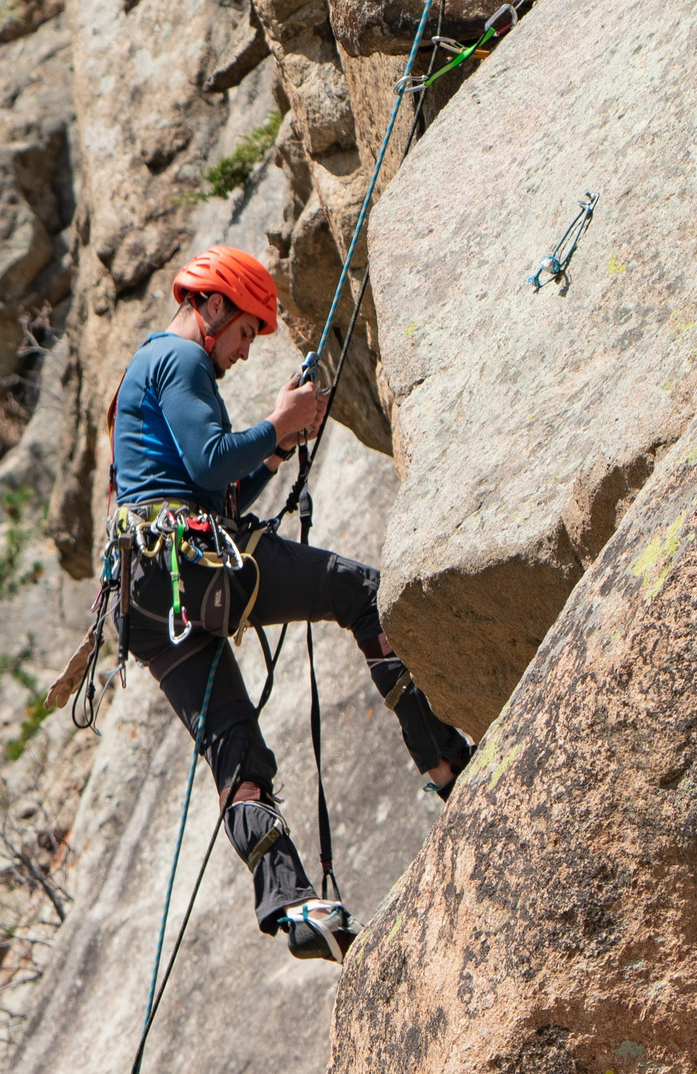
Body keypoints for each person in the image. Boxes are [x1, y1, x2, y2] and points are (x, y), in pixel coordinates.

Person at [100, 245, 473, 961]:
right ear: (213, 307)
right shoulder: (180, 361)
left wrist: (272, 451)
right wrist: (280, 422)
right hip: (193, 564)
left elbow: (217, 488)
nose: (241, 353)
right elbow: (212, 462)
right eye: (243, 333)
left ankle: (294, 905)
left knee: (234, 751)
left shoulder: (149, 372)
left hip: (149, 601)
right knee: (360, 592)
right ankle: (446, 764)